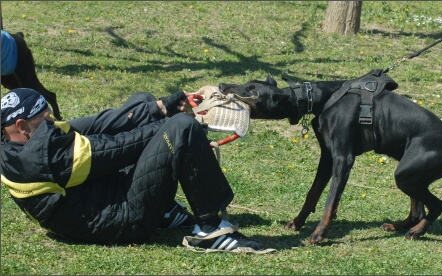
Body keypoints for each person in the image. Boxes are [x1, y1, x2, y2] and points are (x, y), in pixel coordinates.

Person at [0, 87, 271, 253]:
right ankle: (211, 231)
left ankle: (164, 212)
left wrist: (163, 106)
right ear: (22, 127)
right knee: (179, 128)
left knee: (143, 102)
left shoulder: (20, 144)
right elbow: (118, 146)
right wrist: (186, 127)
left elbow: (93, 124)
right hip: (118, 222)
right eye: (46, 118)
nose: (52, 121)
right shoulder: (47, 159)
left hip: (100, 198)